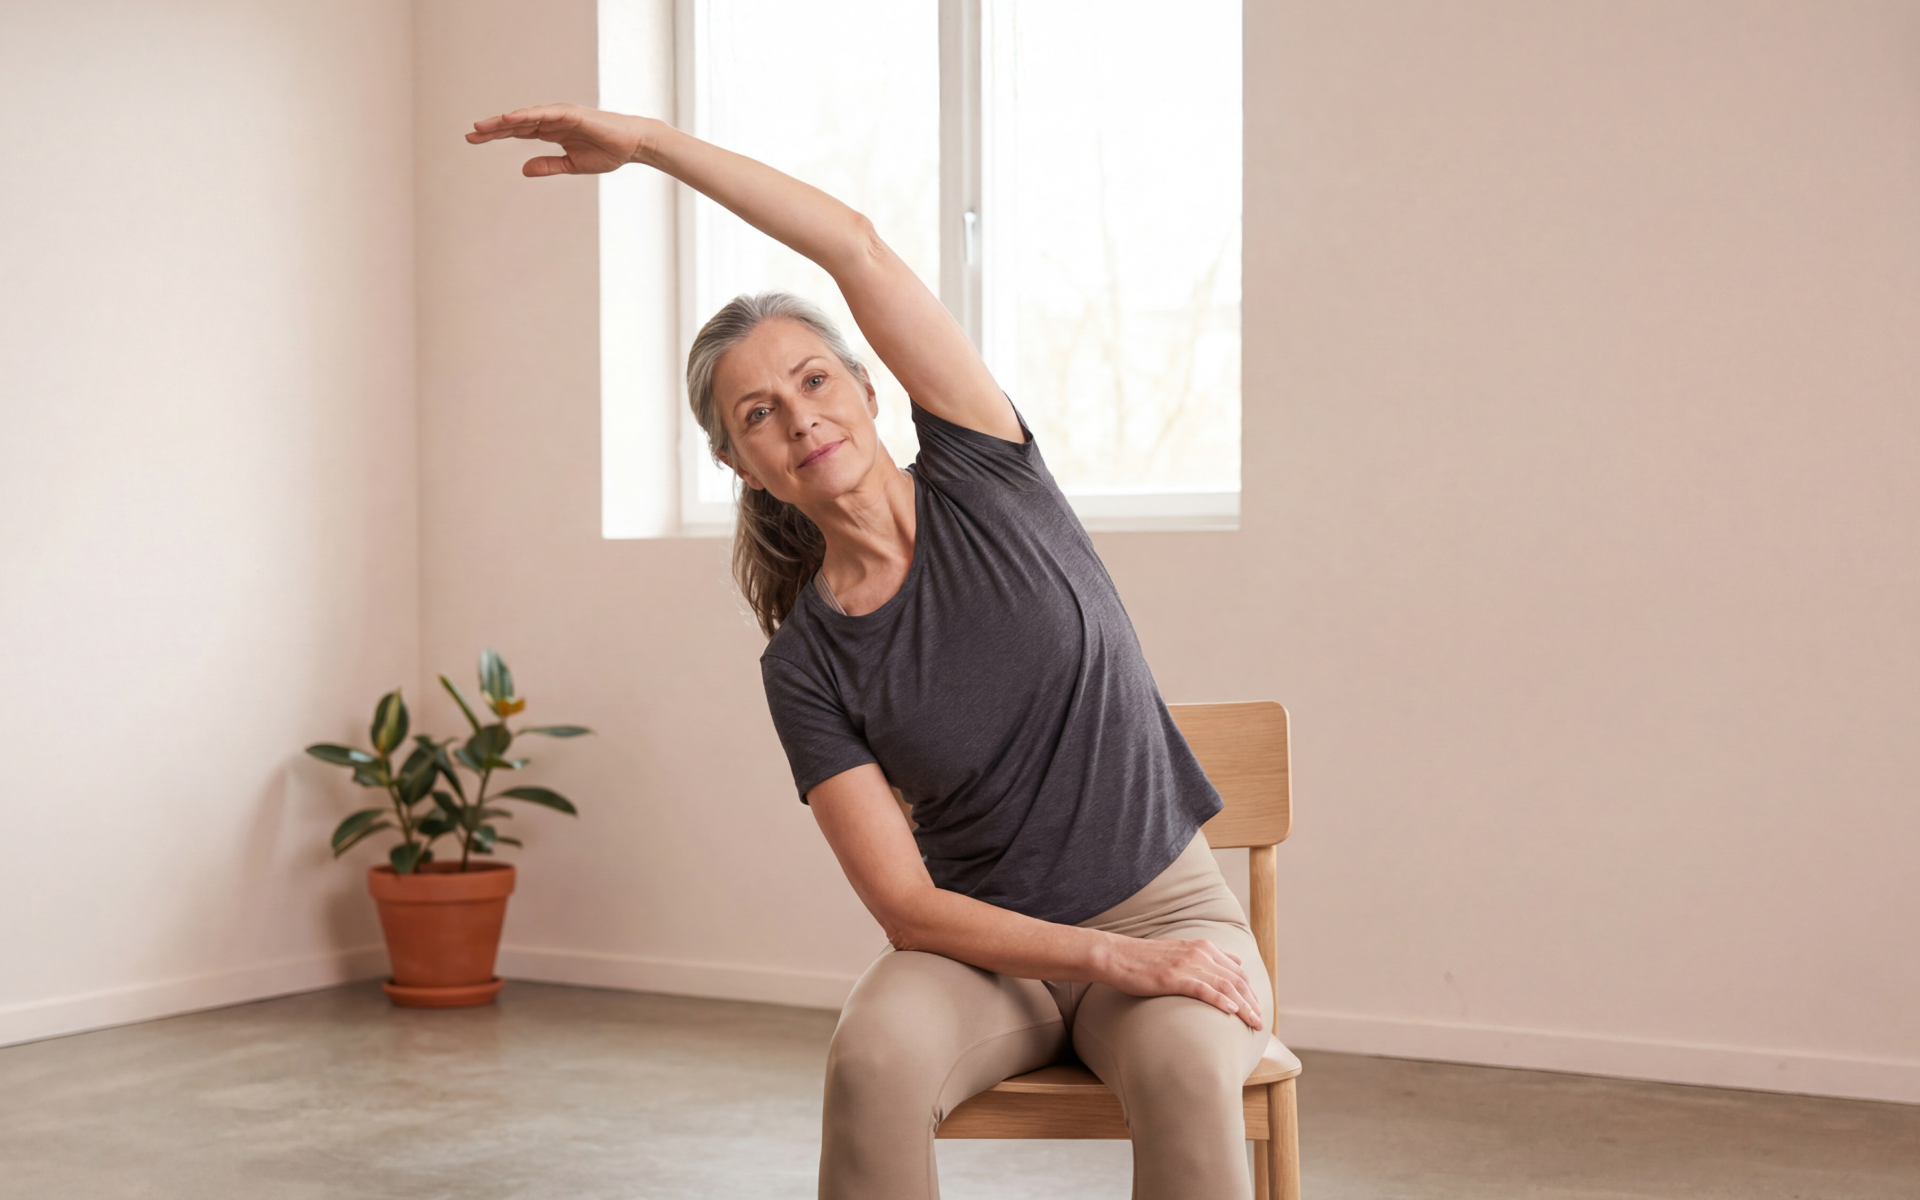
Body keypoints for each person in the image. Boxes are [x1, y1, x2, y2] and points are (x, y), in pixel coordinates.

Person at [467, 103, 1273, 1200]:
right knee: (873, 1058)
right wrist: (1101, 958)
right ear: (740, 463)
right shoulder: (804, 664)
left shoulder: (988, 472)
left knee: (1183, 1074)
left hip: (1166, 915)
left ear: (868, 387)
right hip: (988, 959)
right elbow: (905, 907)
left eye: (813, 380)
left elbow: (852, 244)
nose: (799, 418)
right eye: (757, 413)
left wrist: (650, 146)